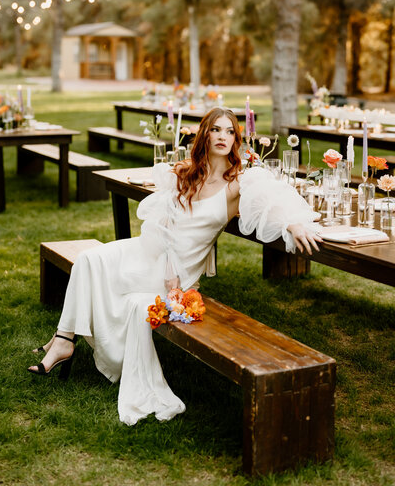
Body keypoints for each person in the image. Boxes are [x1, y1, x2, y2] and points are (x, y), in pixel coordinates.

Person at [28, 107, 322, 425]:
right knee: (87, 259)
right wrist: (166, 266)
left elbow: (273, 198)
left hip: (181, 271)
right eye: (216, 130)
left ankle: (62, 341)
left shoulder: (237, 184)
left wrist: (293, 223)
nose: (223, 137)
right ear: (204, 135)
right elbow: (165, 225)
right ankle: (64, 340)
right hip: (155, 254)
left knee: (109, 278)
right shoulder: (185, 174)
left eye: (230, 132)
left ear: (237, 138)